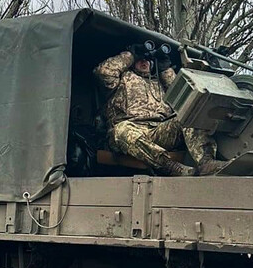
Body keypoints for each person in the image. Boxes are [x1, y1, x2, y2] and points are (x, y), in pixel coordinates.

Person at [94, 46, 226, 176]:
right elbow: (104, 72)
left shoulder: (158, 83)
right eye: (141, 59)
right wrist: (131, 55)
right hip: (128, 132)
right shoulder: (123, 79)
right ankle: (169, 166)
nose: (144, 62)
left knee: (190, 114)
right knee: (121, 130)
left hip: (158, 130)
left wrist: (165, 69)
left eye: (147, 60)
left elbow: (182, 94)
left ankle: (206, 162)